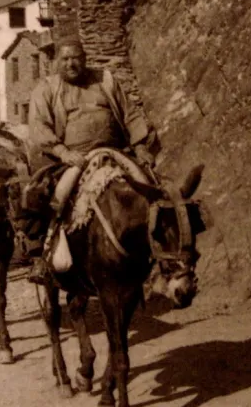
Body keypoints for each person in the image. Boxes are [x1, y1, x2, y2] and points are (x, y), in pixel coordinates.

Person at [20, 39, 157, 283]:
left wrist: (140, 146)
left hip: (114, 152)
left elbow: (130, 112)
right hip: (72, 158)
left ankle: (159, 256)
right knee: (49, 199)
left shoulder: (104, 80)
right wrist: (62, 151)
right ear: (57, 62)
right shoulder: (47, 88)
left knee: (151, 190)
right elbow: (39, 126)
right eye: (65, 59)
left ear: (84, 58)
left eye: (76, 58)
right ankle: (42, 254)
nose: (71, 63)